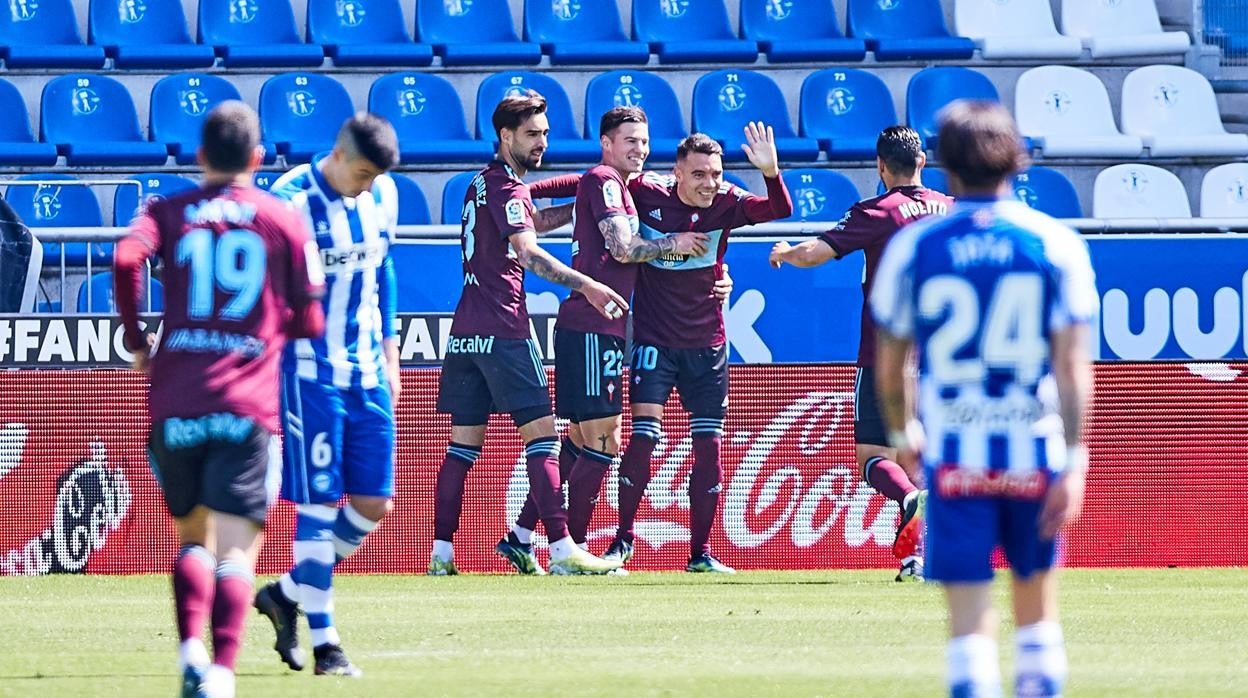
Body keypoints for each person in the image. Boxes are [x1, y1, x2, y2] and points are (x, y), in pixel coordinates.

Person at [870, 101, 1096, 697]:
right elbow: (1072, 367)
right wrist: (1074, 460)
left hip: (956, 454)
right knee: (1037, 621)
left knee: (968, 625)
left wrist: (901, 434)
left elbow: (891, 364)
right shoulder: (1053, 243)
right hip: (1034, 452)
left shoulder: (916, 247)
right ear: (1017, 159)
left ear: (943, 164)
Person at [113, 100, 326, 698]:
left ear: (200, 155)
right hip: (245, 408)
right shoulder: (280, 218)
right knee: (236, 549)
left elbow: (127, 256)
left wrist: (138, 340)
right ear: (258, 159)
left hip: (176, 399)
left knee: (192, 538)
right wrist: (273, 326)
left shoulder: (169, 210)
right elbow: (310, 316)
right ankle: (224, 672)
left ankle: (187, 653)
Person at [494, 106, 710, 574]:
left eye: (645, 141)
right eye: (630, 141)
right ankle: (568, 552)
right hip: (593, 326)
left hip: (597, 327)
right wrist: (673, 242)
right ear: (607, 143)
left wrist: (528, 206)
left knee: (579, 438)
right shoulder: (605, 180)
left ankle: (520, 536)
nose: (641, 149)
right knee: (605, 440)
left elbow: (544, 193)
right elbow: (622, 248)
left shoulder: (607, 184)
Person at [430, 91, 629, 576]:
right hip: (503, 326)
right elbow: (529, 251)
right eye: (532, 134)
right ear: (505, 135)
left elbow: (527, 222)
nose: (542, 142)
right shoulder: (509, 188)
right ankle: (562, 548)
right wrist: (590, 285)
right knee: (542, 439)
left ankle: (441, 554)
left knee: (462, 447)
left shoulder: (481, 184)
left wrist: (580, 204)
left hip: (465, 333)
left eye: (544, 132)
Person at [251, 113, 402, 677]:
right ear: (337, 155)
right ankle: (327, 645)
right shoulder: (288, 203)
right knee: (317, 507)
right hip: (307, 372)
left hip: (366, 370)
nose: (366, 185)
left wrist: (389, 347)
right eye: (360, 173)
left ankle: (286, 593)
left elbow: (383, 268)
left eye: (373, 177)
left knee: (373, 504)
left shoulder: (383, 193)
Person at [605, 124, 793, 574]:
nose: (709, 184)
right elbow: (597, 189)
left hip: (707, 344)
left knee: (708, 446)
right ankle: (622, 540)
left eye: (715, 173)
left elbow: (779, 208)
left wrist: (770, 171)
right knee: (645, 437)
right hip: (654, 340)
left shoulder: (727, 200)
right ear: (676, 173)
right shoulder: (646, 193)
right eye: (699, 176)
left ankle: (700, 554)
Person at [768, 125, 952, 582]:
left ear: (881, 167)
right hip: (945, 358)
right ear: (923, 163)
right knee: (919, 461)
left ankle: (911, 510)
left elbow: (817, 253)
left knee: (874, 456)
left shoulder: (878, 210)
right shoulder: (952, 211)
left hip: (887, 358)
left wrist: (787, 253)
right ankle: (917, 559)